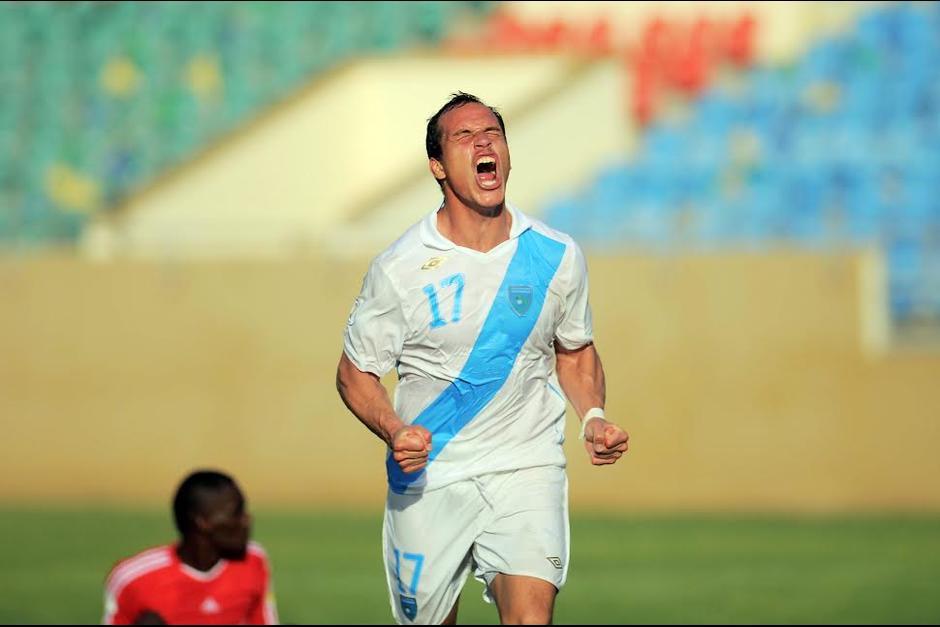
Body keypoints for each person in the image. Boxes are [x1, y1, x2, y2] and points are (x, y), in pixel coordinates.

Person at [336, 92, 629, 625]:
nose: (483, 142)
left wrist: (593, 415)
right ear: (438, 167)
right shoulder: (400, 268)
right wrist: (393, 428)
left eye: (492, 132)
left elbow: (576, 351)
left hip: (525, 466)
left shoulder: (555, 254)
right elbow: (355, 373)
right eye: (464, 137)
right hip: (431, 474)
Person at [102, 470, 278, 625]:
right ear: (203, 522)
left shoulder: (254, 560)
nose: (247, 519)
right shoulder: (133, 578)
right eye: (236, 513)